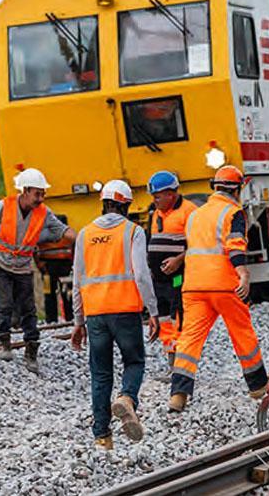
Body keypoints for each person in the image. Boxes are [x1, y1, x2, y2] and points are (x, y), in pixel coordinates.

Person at [168, 165, 269, 412]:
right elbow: (234, 246)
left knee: (190, 339)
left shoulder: (195, 215)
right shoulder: (233, 212)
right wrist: (242, 272)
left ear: (215, 187)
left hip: (193, 287)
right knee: (242, 333)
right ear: (237, 189)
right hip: (224, 285)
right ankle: (257, 386)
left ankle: (178, 395)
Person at [68, 180, 160, 450]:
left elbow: (77, 280)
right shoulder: (133, 231)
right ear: (126, 205)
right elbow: (141, 275)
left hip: (95, 315)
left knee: (100, 374)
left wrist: (78, 321)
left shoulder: (85, 234)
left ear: (104, 203)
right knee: (134, 362)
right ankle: (127, 398)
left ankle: (102, 437)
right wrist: (153, 310)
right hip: (125, 312)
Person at [0, 168, 74, 374]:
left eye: (43, 194)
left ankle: (31, 350)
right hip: (0, 264)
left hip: (23, 267)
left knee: (28, 310)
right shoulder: (4, 206)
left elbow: (62, 230)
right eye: (38, 193)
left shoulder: (44, 212)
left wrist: (85, 239)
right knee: (3, 304)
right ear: (26, 191)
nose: (41, 198)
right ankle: (4, 343)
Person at [145, 171, 198, 371]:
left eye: (157, 196)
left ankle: (182, 363)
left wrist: (177, 260)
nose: (154, 200)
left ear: (170, 194)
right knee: (164, 317)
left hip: (178, 277)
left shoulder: (189, 211)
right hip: (159, 279)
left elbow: (197, 244)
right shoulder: (156, 213)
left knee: (178, 314)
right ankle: (171, 360)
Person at [36, 217, 74, 323]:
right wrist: (41, 267)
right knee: (50, 294)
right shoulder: (44, 236)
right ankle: (54, 319)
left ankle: (67, 318)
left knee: (67, 294)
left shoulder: (68, 237)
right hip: (48, 269)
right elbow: (35, 252)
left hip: (62, 268)